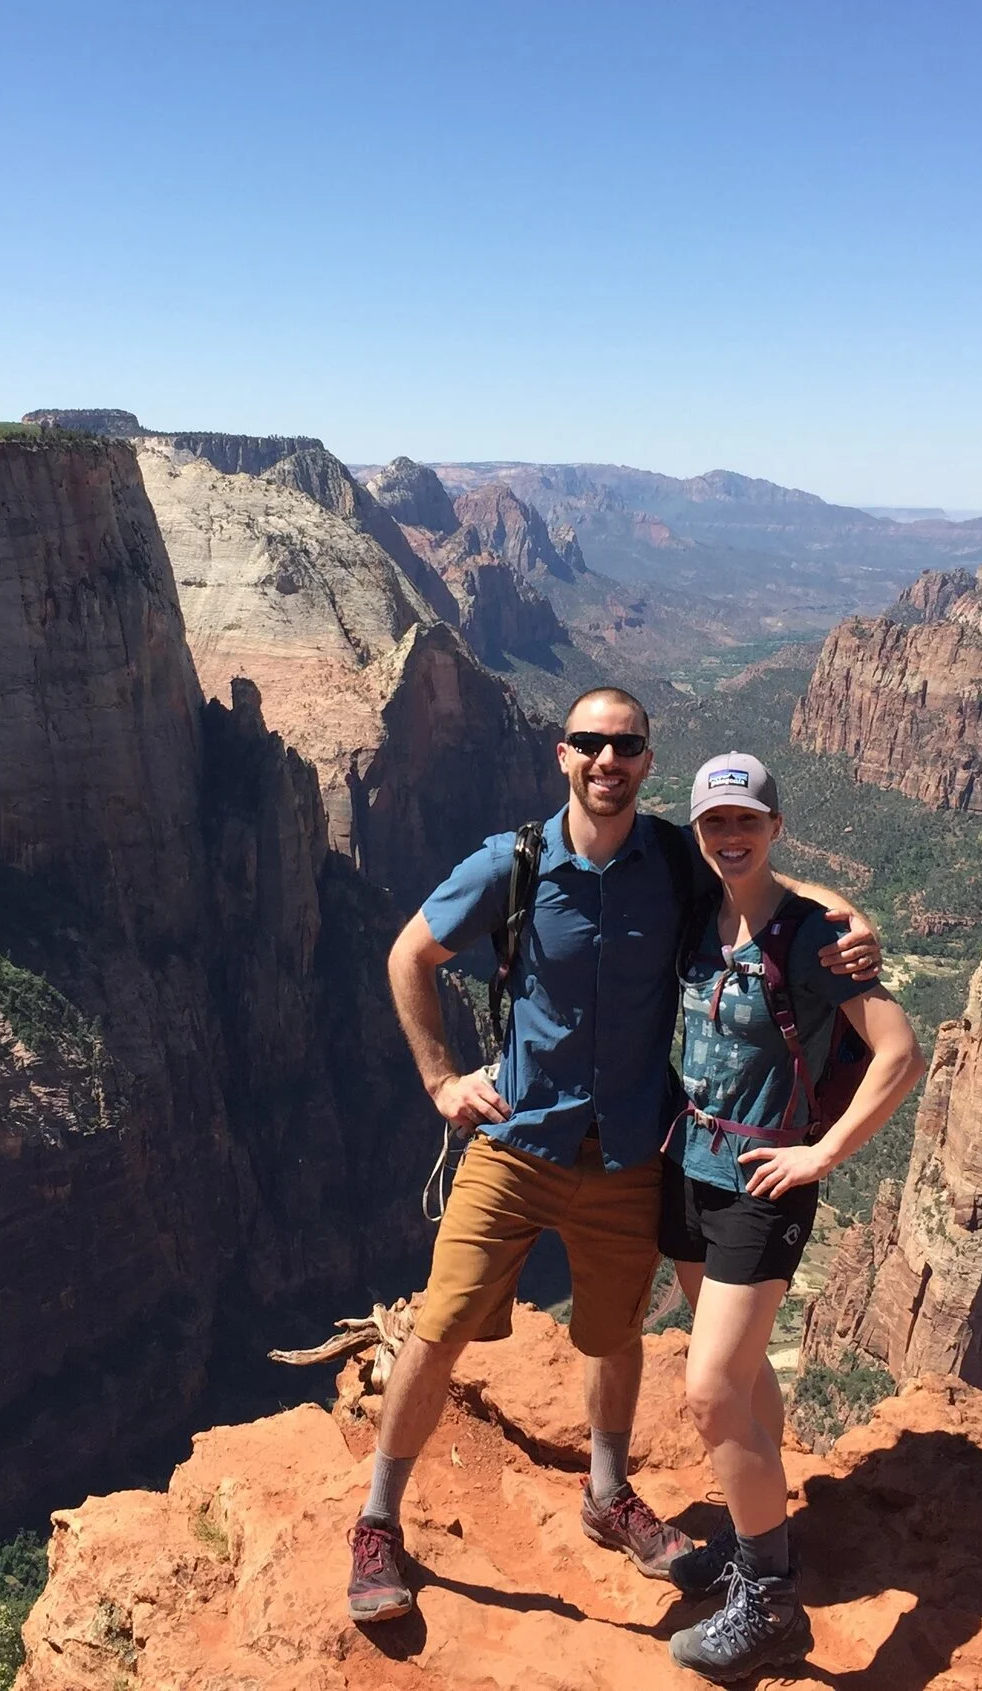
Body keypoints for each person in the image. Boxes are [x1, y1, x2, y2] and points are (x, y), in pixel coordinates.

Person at [349, 688, 882, 1624]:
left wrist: (847, 915)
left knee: (613, 1334)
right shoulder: (512, 863)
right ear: (563, 754)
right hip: (516, 1143)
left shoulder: (674, 859)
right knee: (439, 1325)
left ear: (645, 758)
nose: (608, 759)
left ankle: (607, 1494)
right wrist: (440, 1080)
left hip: (633, 1151)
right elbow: (409, 956)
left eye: (626, 745)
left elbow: (760, 877)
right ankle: (378, 1521)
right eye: (590, 743)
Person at [658, 750, 921, 1683]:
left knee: (710, 1388)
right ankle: (751, 1539)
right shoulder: (700, 906)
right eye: (715, 822)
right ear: (699, 831)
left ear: (776, 825)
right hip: (689, 1167)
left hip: (764, 1183)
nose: (730, 835)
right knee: (743, 1379)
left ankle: (769, 1602)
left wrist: (822, 1153)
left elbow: (899, 1050)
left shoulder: (810, 937)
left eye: (748, 820)